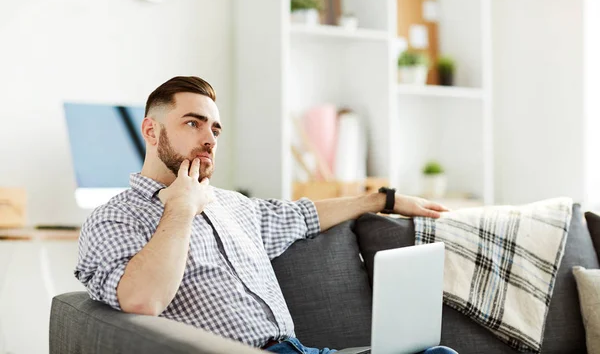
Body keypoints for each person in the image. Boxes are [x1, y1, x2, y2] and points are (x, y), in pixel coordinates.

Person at [74, 76, 457, 354]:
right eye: (193, 123)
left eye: (215, 129)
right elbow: (142, 300)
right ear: (151, 131)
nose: (209, 138)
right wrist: (181, 207)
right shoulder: (115, 218)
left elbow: (303, 215)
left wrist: (381, 200)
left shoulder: (235, 205)